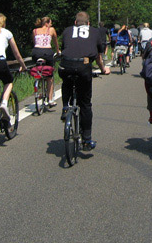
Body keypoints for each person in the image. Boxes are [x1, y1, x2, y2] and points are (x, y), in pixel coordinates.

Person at [58, 11, 110, 150]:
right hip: (84, 66)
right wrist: (103, 69)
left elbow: (65, 49)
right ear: (88, 23)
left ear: (75, 23)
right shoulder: (94, 32)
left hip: (65, 65)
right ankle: (87, 140)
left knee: (66, 81)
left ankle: (65, 107)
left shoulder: (67, 30)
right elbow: (99, 56)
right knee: (85, 104)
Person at [31, 16, 60, 106]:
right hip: (47, 52)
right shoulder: (51, 30)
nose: (51, 25)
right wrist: (58, 51)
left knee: (38, 69)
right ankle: (50, 99)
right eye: (50, 23)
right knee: (50, 76)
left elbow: (35, 42)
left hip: (36, 52)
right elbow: (55, 42)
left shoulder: (35, 31)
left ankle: (38, 83)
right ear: (47, 23)